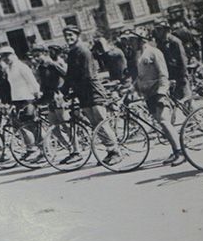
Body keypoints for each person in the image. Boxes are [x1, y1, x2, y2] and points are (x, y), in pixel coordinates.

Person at [62, 25, 121, 165]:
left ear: (77, 35)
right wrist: (65, 90)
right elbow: (70, 74)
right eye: (66, 36)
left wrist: (74, 89)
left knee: (101, 121)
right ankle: (110, 151)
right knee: (95, 124)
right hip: (83, 92)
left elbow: (87, 74)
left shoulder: (83, 51)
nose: (68, 38)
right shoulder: (72, 53)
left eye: (71, 35)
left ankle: (116, 152)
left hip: (93, 90)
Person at [132, 28, 184, 165]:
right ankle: (175, 150)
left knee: (164, 121)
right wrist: (132, 88)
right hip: (148, 94)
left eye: (133, 40)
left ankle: (180, 152)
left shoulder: (154, 52)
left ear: (141, 40)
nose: (131, 43)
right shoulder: (139, 55)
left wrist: (162, 91)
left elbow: (163, 73)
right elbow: (140, 76)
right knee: (161, 124)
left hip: (158, 92)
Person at [32, 44, 80, 164]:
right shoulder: (41, 67)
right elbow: (43, 85)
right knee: (54, 128)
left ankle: (76, 151)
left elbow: (67, 76)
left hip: (59, 98)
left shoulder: (52, 65)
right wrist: (41, 98)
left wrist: (64, 92)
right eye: (34, 56)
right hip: (49, 99)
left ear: (45, 53)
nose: (36, 58)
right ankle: (70, 149)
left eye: (38, 55)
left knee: (66, 125)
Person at [0, 46, 42, 162]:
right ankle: (30, 149)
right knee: (19, 126)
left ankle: (43, 151)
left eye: (7, 56)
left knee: (32, 126)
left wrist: (36, 96)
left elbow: (33, 82)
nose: (5, 59)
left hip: (27, 98)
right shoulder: (9, 69)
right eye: (3, 57)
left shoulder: (22, 67)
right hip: (17, 100)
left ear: (13, 55)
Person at [153, 19, 192, 111]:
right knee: (177, 102)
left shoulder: (175, 42)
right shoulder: (160, 44)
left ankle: (196, 115)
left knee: (186, 100)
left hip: (180, 75)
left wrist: (183, 76)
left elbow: (183, 60)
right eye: (156, 29)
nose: (157, 32)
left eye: (159, 29)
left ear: (165, 29)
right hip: (170, 76)